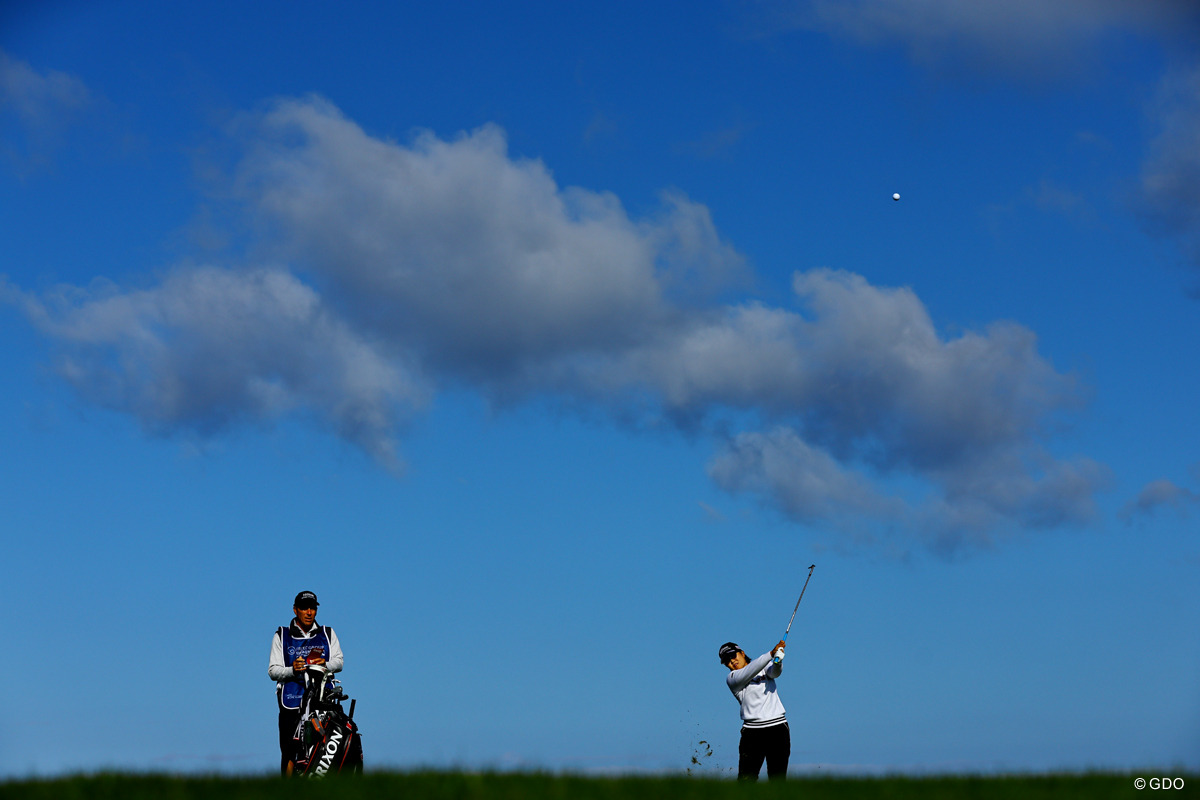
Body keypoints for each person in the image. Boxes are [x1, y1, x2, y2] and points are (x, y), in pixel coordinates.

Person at [268, 591, 344, 775]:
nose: (309, 612)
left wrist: (324, 664)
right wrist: (292, 669)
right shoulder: (281, 635)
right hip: (291, 703)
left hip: (322, 702)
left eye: (312, 608)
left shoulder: (327, 633)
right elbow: (272, 670)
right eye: (304, 608)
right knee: (289, 752)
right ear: (295, 610)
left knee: (324, 751)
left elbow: (339, 661)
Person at [718, 640, 790, 781]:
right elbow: (750, 671)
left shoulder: (763, 666)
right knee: (746, 780)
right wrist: (770, 654)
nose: (732, 661)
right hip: (752, 733)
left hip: (778, 729)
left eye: (733, 656)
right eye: (727, 661)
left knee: (778, 779)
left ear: (742, 653)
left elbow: (774, 673)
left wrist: (777, 661)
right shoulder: (732, 678)